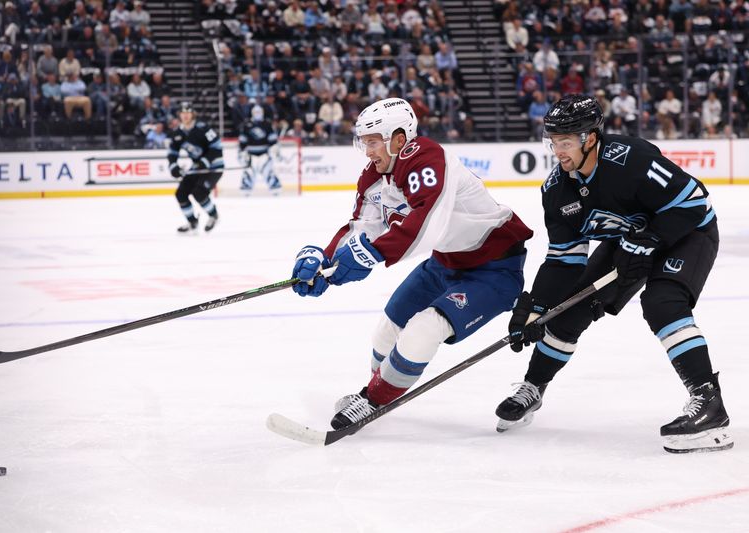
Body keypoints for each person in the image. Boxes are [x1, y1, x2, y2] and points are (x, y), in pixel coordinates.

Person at [496, 94, 731, 454]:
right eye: (553, 141)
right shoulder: (557, 191)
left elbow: (694, 200)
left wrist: (653, 239)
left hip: (687, 233)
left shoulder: (631, 159)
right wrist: (536, 305)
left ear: (589, 138)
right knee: (569, 309)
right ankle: (532, 388)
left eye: (565, 142)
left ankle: (709, 404)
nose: (557, 151)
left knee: (663, 303)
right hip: (629, 241)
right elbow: (563, 259)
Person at [290, 98, 533, 430]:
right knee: (386, 331)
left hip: (493, 269)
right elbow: (362, 226)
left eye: (373, 142)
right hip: (445, 263)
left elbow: (427, 223)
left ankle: (371, 400)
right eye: (364, 142)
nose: (368, 151)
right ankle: (376, 389)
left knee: (425, 329)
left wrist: (370, 254)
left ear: (399, 138)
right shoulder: (375, 177)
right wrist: (323, 261)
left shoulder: (427, 158)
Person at [167, 102, 224, 233]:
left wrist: (205, 161)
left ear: (193, 114)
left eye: (188, 113)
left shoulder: (203, 129)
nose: (185, 116)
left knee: (199, 192)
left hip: (214, 166)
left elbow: (217, 148)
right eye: (183, 113)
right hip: (197, 167)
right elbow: (172, 153)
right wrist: (173, 166)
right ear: (179, 115)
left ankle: (214, 216)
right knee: (180, 193)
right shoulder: (178, 133)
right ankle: (192, 222)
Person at [238, 105, 282, 194]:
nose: (257, 114)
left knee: (268, 172)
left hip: (265, 154)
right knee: (249, 173)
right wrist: (241, 153)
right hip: (250, 155)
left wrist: (275, 150)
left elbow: (272, 140)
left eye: (259, 112)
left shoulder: (267, 124)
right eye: (256, 112)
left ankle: (275, 189)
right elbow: (242, 141)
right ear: (252, 113)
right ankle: (246, 189)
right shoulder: (247, 125)